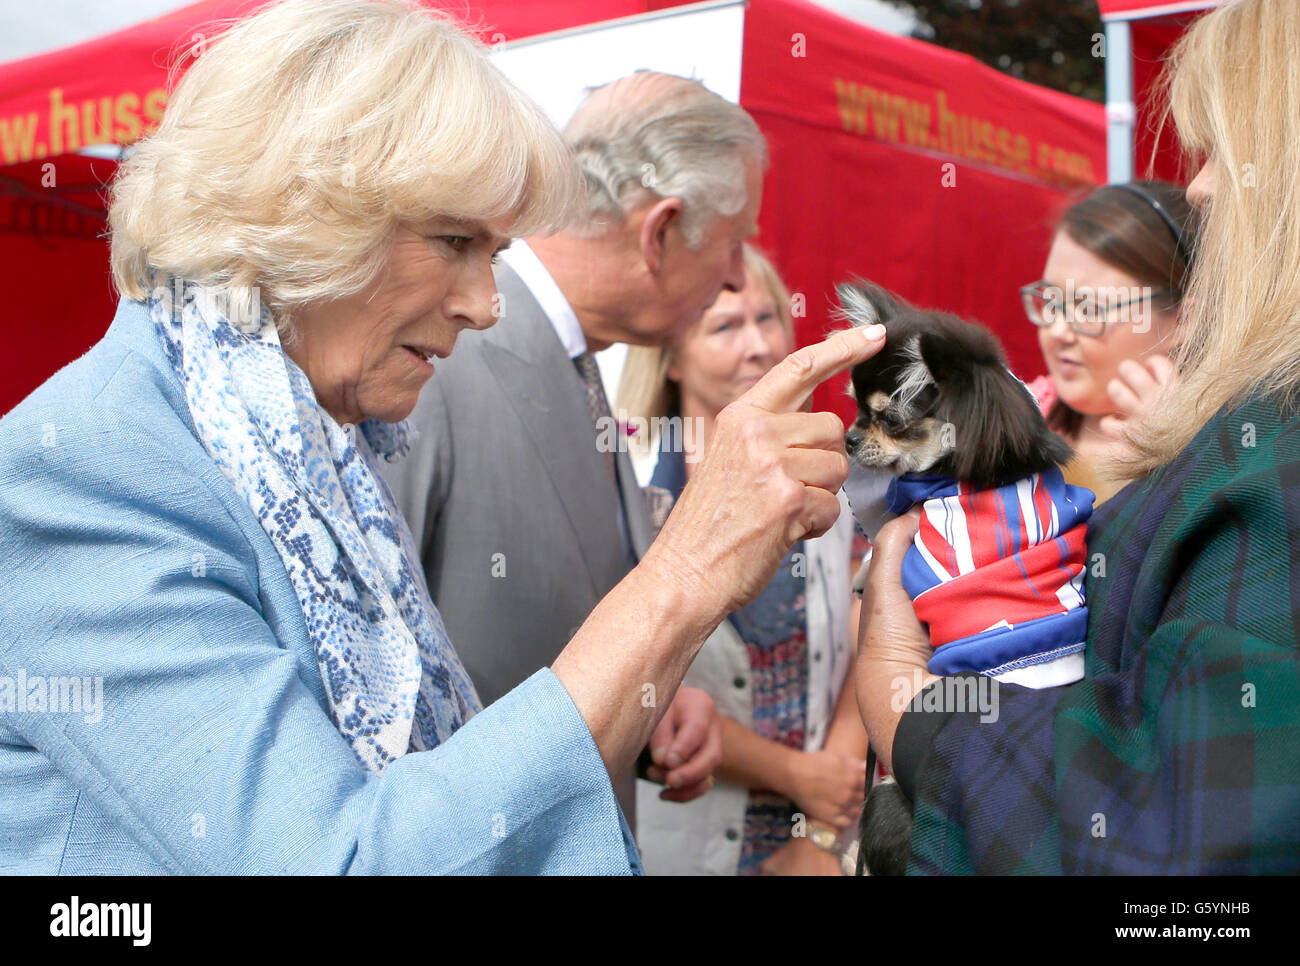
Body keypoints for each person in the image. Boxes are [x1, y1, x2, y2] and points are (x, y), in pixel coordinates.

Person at [0, 0, 887, 875]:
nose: (485, 304)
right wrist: (686, 576)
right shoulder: (88, 468)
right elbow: (335, 861)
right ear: (300, 212)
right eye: (454, 241)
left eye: (494, 253)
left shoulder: (314, 437)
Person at [857, 0, 1300, 875]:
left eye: (1091, 306)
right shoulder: (1036, 429)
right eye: (1048, 301)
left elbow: (1189, 850)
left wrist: (909, 707)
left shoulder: (1255, 451)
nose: (1199, 186)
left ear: (1181, 306)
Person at [379, 70, 767, 822]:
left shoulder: (577, 367)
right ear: (661, 230)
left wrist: (651, 702)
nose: (737, 277)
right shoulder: (439, 360)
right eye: (735, 241)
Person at [619, 245, 869, 875]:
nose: (757, 345)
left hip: (816, 845)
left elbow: (870, 622)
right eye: (725, 326)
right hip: (684, 843)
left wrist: (818, 829)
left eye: (768, 318)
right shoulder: (631, 492)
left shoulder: (828, 478)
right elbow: (629, 683)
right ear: (671, 354)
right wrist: (798, 775)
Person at [1022, 180, 1198, 504]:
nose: (1058, 330)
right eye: (1050, 301)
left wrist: (1175, 455)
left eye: (1089, 309)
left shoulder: (1208, 449)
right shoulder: (1023, 415)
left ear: (1184, 320)